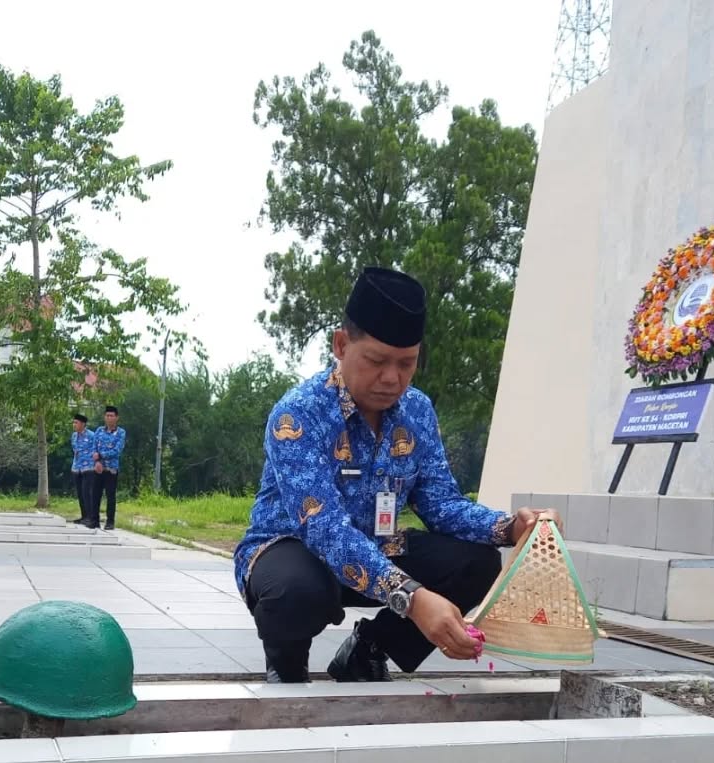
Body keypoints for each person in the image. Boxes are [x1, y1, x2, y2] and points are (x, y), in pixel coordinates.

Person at [233, 267, 562, 684]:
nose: (392, 379)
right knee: (296, 590)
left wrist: (512, 527)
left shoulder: (417, 412)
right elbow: (326, 530)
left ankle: (368, 650)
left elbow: (441, 504)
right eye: (376, 361)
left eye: (407, 364)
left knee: (477, 563)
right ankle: (287, 663)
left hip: (379, 546)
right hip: (295, 548)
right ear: (341, 345)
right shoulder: (298, 414)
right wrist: (414, 599)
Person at [88, 405, 127, 530]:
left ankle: (110, 521)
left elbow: (117, 451)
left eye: (111, 416)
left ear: (116, 418)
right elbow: (94, 447)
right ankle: (94, 520)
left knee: (110, 496)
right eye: (107, 415)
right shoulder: (99, 430)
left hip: (111, 469)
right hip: (98, 468)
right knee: (95, 494)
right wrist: (97, 461)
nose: (109, 418)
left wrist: (101, 456)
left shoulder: (120, 433)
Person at [69, 413, 96, 525]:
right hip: (77, 468)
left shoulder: (92, 435)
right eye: (73, 422)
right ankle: (84, 516)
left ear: (83, 424)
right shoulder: (74, 436)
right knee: (80, 493)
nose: (74, 424)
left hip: (89, 468)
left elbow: (96, 450)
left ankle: (91, 517)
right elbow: (75, 449)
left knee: (87, 492)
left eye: (76, 422)